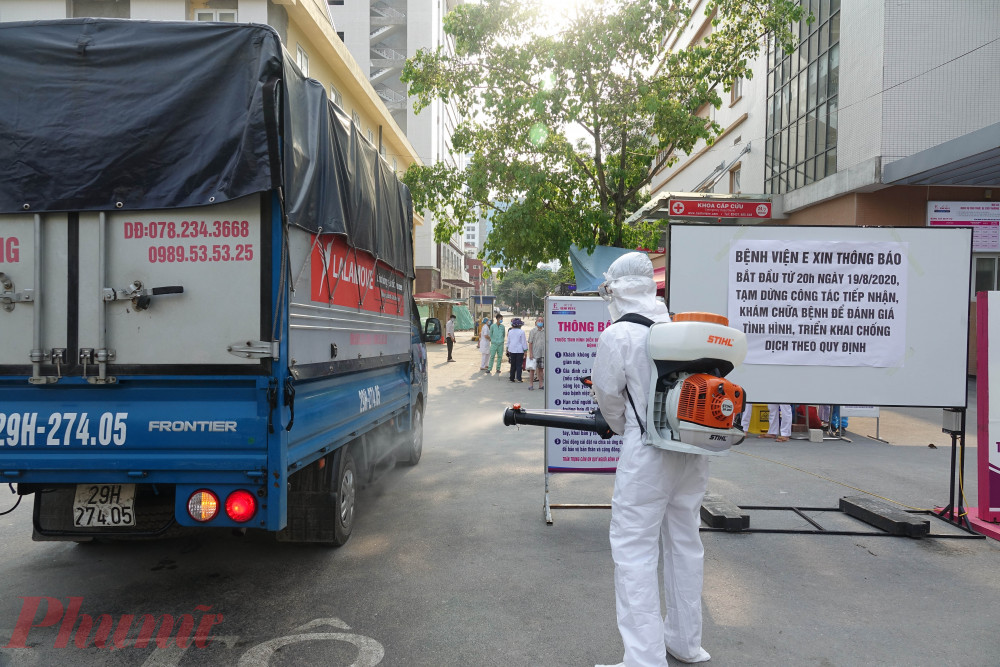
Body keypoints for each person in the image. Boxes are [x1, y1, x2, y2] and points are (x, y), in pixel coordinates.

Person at [591, 252, 711, 667]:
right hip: (692, 452)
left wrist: (625, 425)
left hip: (647, 454)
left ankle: (644, 659)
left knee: (634, 550)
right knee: (685, 544)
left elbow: (608, 396)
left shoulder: (618, 335)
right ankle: (686, 643)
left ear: (615, 289)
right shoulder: (678, 327)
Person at [506, 318, 527, 383]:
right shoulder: (521, 332)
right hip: (519, 350)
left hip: (512, 350)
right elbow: (523, 342)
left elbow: (508, 341)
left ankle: (511, 378)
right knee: (519, 365)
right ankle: (519, 378)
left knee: (513, 364)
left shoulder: (510, 331)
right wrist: (525, 350)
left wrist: (507, 349)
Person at [527, 317, 545, 391]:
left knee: (541, 370)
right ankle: (531, 385)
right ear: (536, 322)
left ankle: (541, 385)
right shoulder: (533, 331)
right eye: (539, 320)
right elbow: (530, 343)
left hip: (542, 354)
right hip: (534, 353)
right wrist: (530, 353)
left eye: (541, 321)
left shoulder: (545, 331)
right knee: (532, 370)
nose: (540, 322)